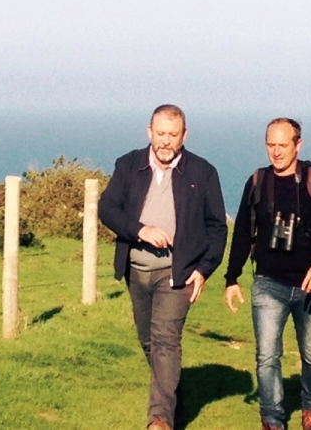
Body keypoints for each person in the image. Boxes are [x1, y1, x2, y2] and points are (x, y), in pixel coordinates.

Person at [98, 104, 228, 430]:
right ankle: (172, 402)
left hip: (178, 274)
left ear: (184, 135)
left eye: (173, 134)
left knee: (166, 340)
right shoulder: (128, 165)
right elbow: (108, 208)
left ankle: (158, 421)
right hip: (136, 272)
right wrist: (139, 230)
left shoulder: (203, 172)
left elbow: (217, 227)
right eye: (160, 134)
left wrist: (204, 270)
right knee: (149, 344)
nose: (166, 142)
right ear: (149, 132)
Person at [224, 118, 311, 430]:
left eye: (283, 145)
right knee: (266, 357)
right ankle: (273, 420)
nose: (276, 152)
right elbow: (241, 231)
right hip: (268, 283)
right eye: (270, 145)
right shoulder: (257, 182)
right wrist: (231, 278)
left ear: (298, 145)